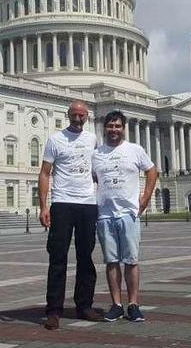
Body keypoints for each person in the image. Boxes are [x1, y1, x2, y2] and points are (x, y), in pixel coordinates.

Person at [38, 100, 101, 330]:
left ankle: (84, 306)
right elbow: (45, 173)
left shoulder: (92, 139)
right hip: (62, 203)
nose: (77, 119)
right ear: (68, 115)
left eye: (81, 115)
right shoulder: (55, 139)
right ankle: (54, 310)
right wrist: (44, 206)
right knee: (58, 258)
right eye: (74, 115)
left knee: (86, 257)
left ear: (87, 117)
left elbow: (96, 171)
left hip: (87, 204)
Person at [92, 110, 158, 322]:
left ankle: (133, 303)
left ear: (123, 128)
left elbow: (152, 170)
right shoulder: (96, 154)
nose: (113, 130)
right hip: (104, 214)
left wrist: (145, 198)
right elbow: (92, 179)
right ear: (104, 127)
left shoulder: (135, 150)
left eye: (117, 126)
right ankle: (116, 304)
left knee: (131, 260)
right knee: (111, 261)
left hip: (128, 213)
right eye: (110, 126)